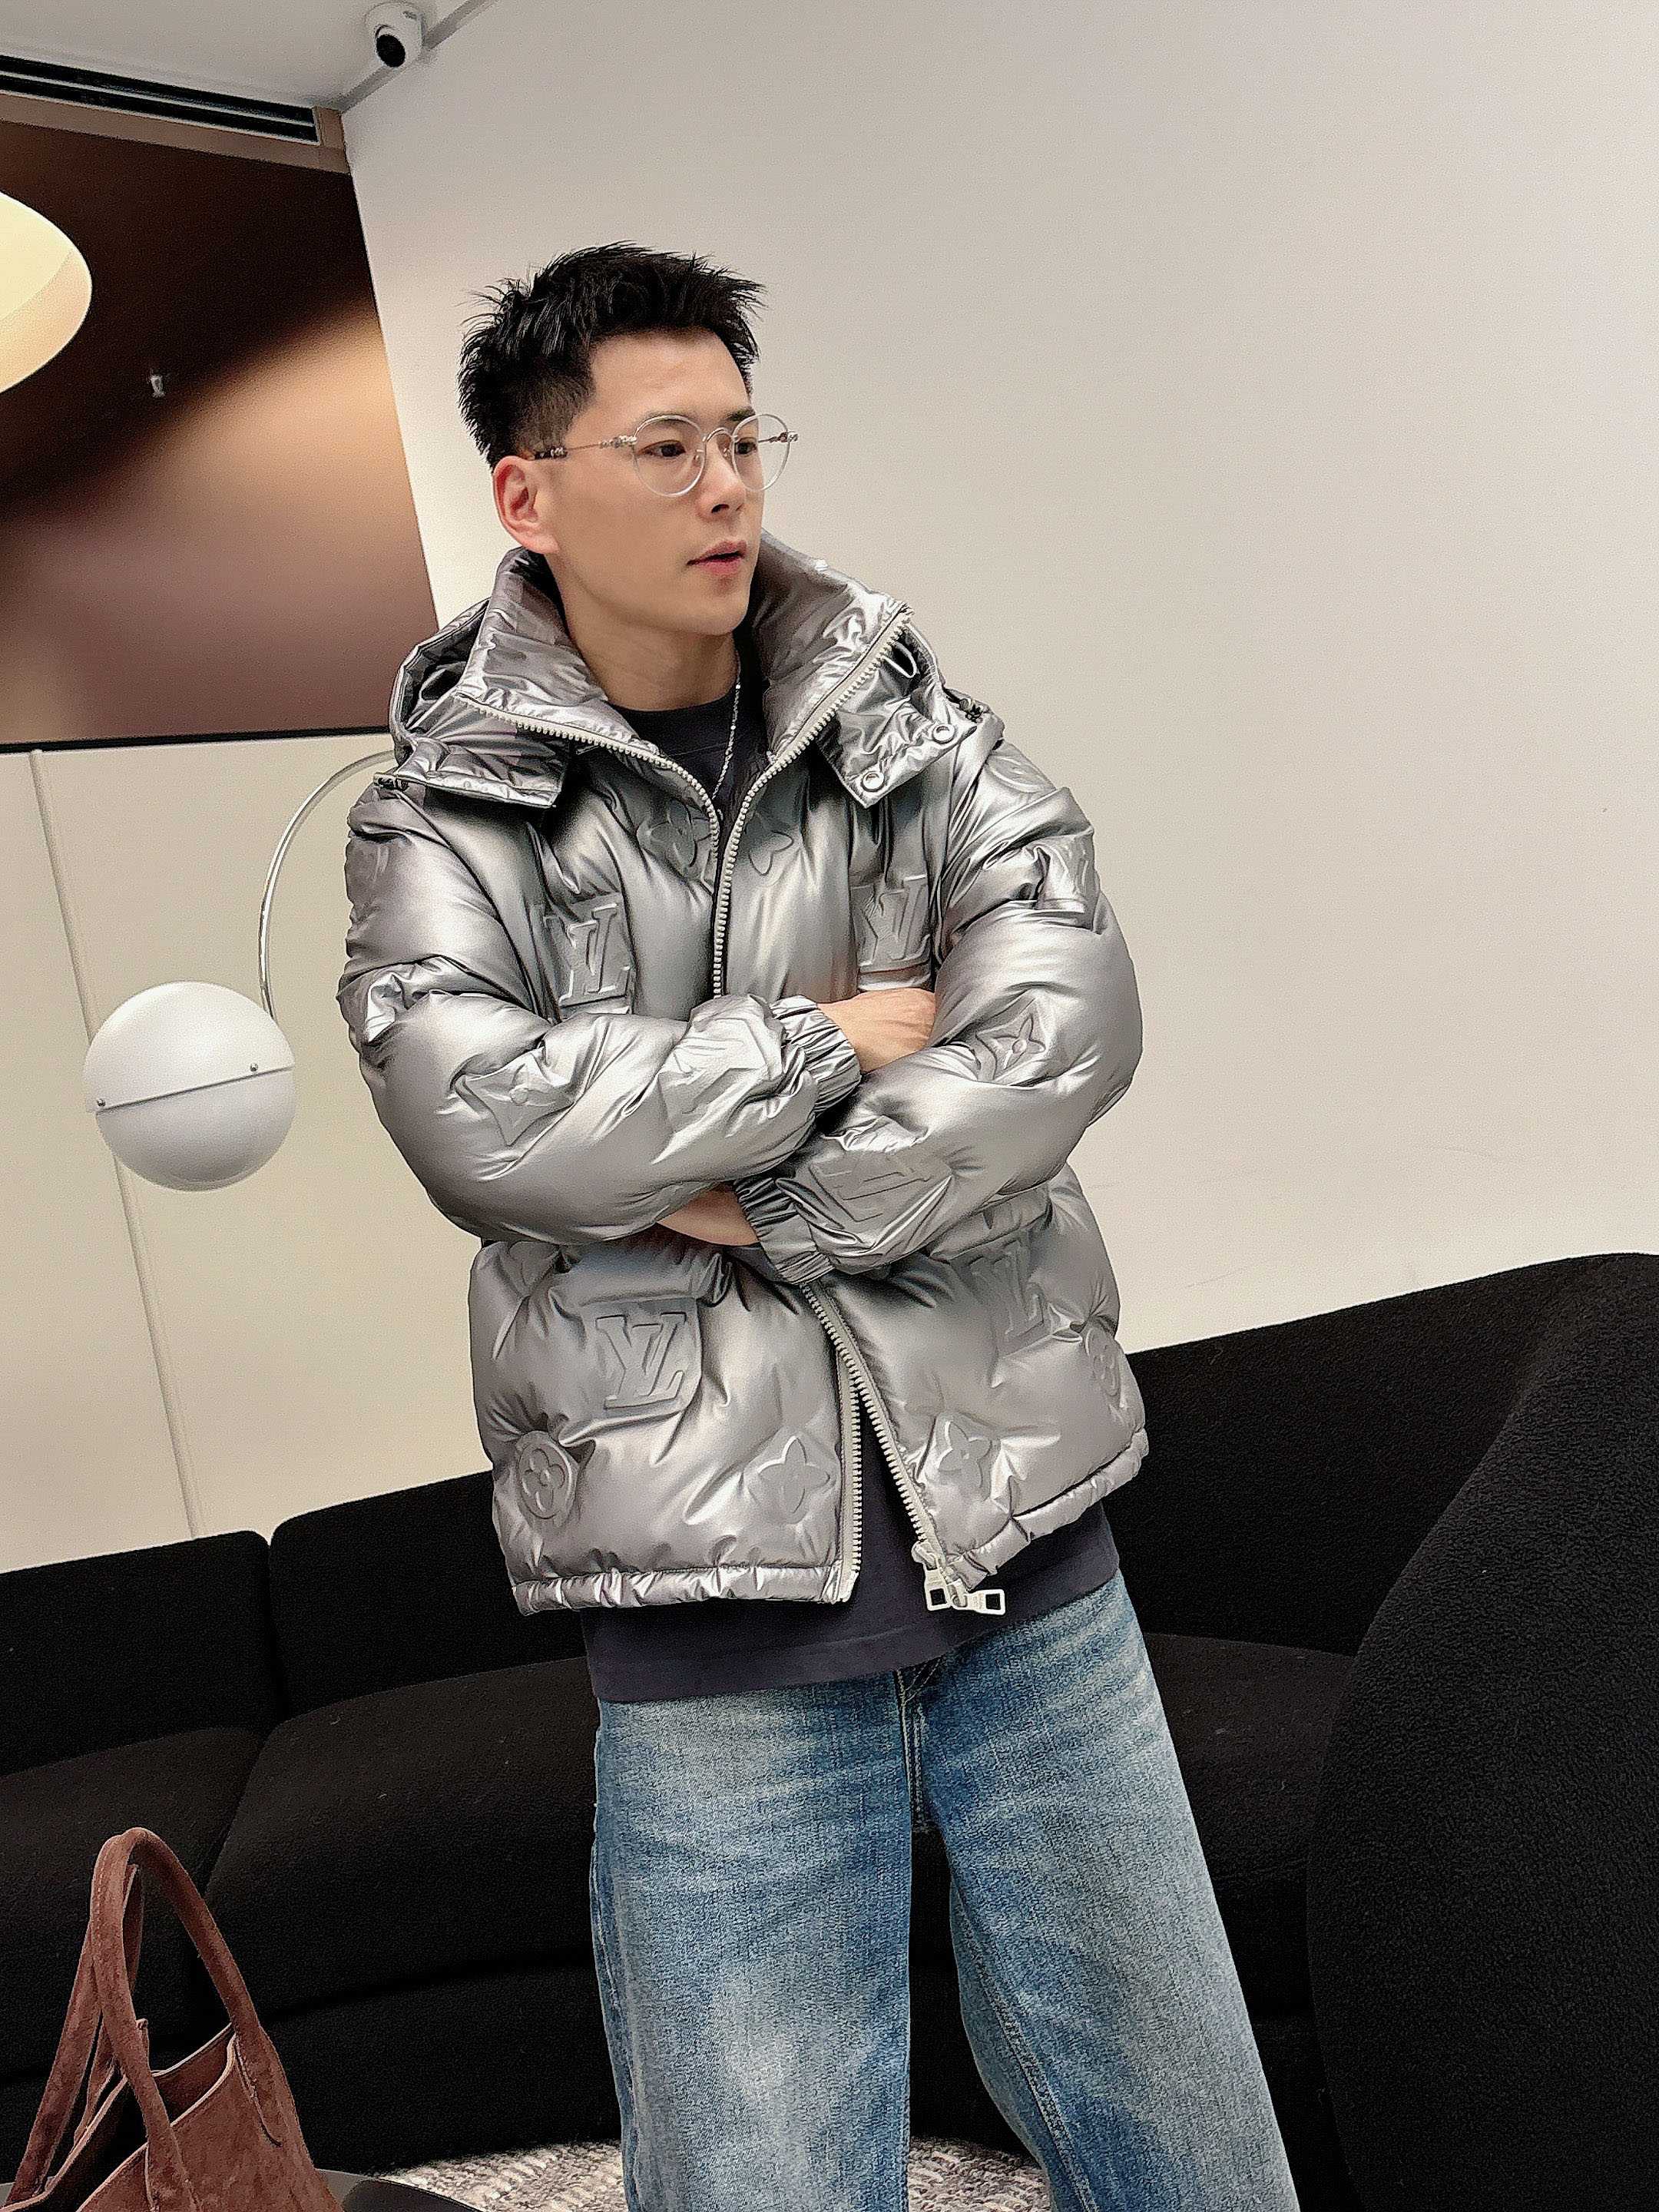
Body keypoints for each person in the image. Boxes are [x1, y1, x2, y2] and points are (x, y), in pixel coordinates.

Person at [338, 241, 1300, 2211]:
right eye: (666, 446)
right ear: (528, 492)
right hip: (713, 1627)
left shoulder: (913, 732)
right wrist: (822, 1039)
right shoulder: (437, 817)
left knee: (1203, 2157)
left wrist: (754, 1199)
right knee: (767, 2180)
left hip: (1032, 1560)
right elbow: (481, 1115)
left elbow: (1063, 1018)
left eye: (745, 436)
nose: (726, 487)